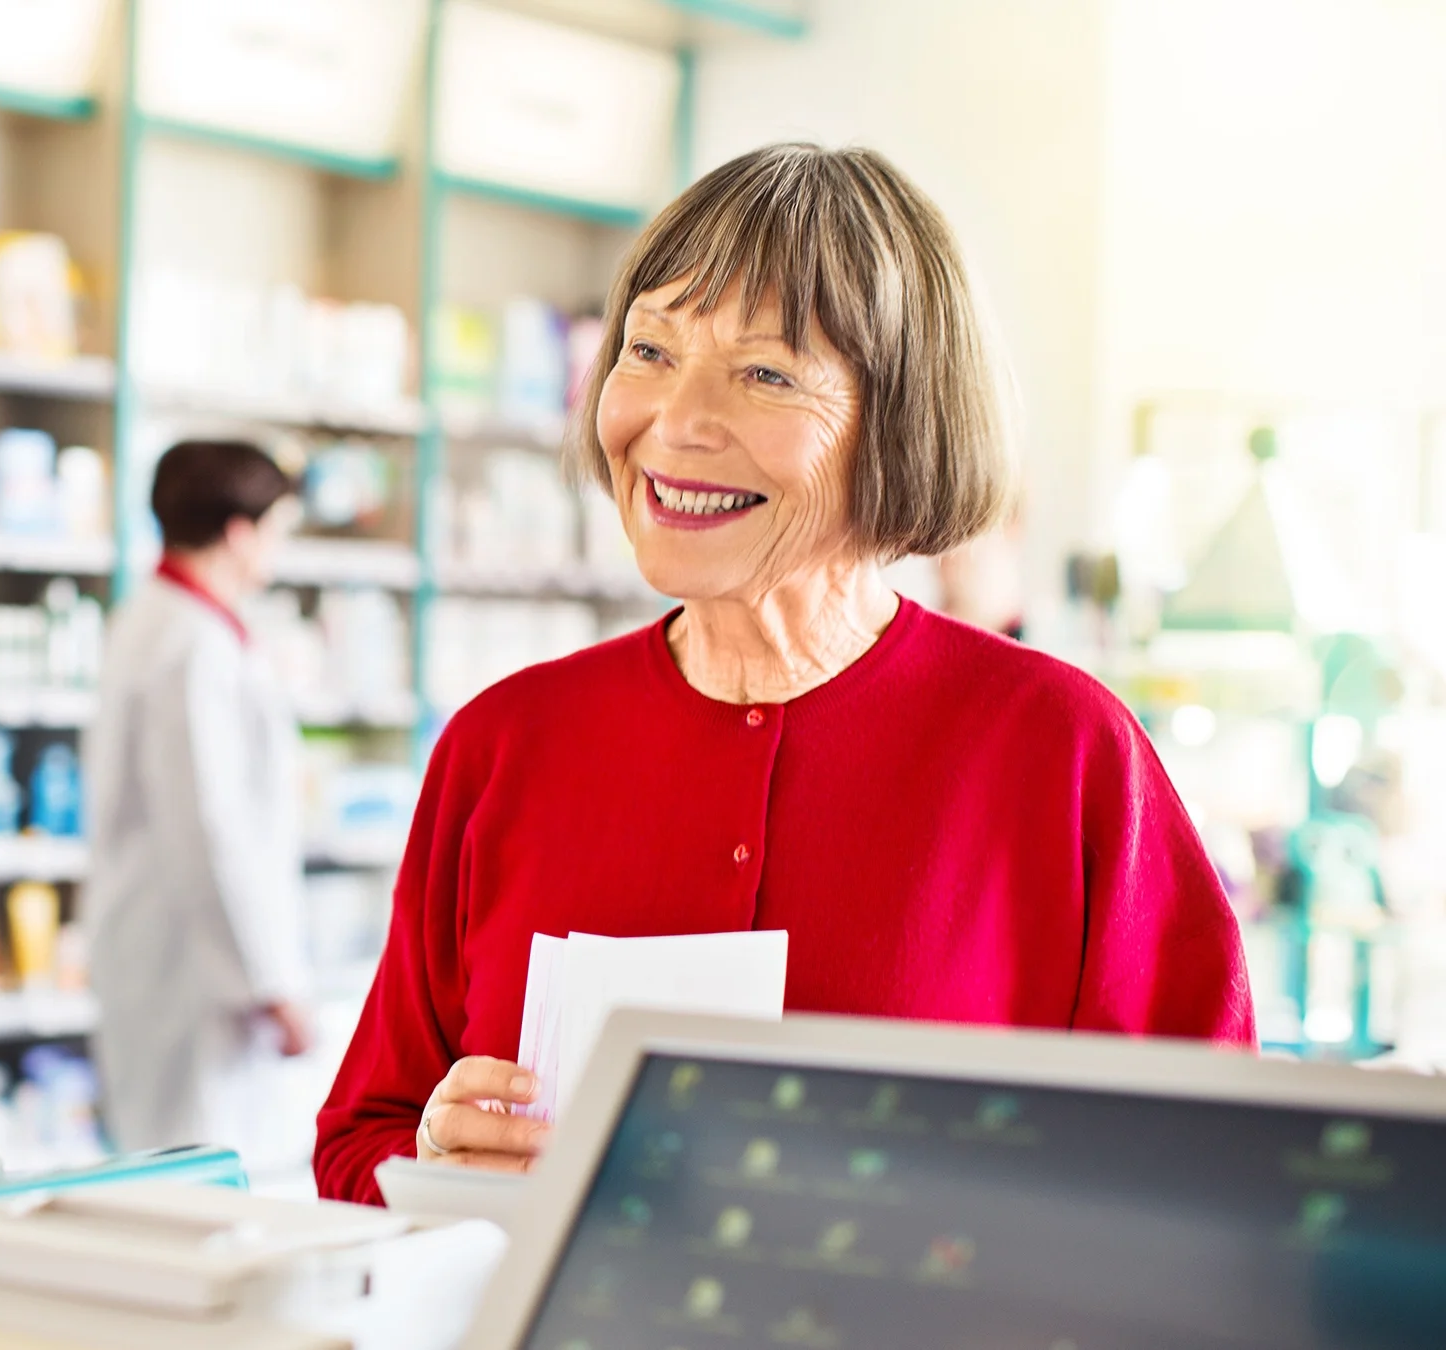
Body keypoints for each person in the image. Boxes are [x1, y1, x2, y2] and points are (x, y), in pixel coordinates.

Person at [314, 144, 1254, 1204]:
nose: (673, 424)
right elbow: (360, 1137)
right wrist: (435, 1166)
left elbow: (1209, 1179)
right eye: (649, 351)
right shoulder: (506, 743)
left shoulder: (1061, 750)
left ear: (903, 417)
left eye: (765, 373)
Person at [86, 439, 318, 1163]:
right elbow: (209, 831)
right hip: (192, 977)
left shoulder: (159, 620)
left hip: (170, 958)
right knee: (196, 1173)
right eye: (278, 528)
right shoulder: (193, 645)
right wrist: (272, 984)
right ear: (240, 532)